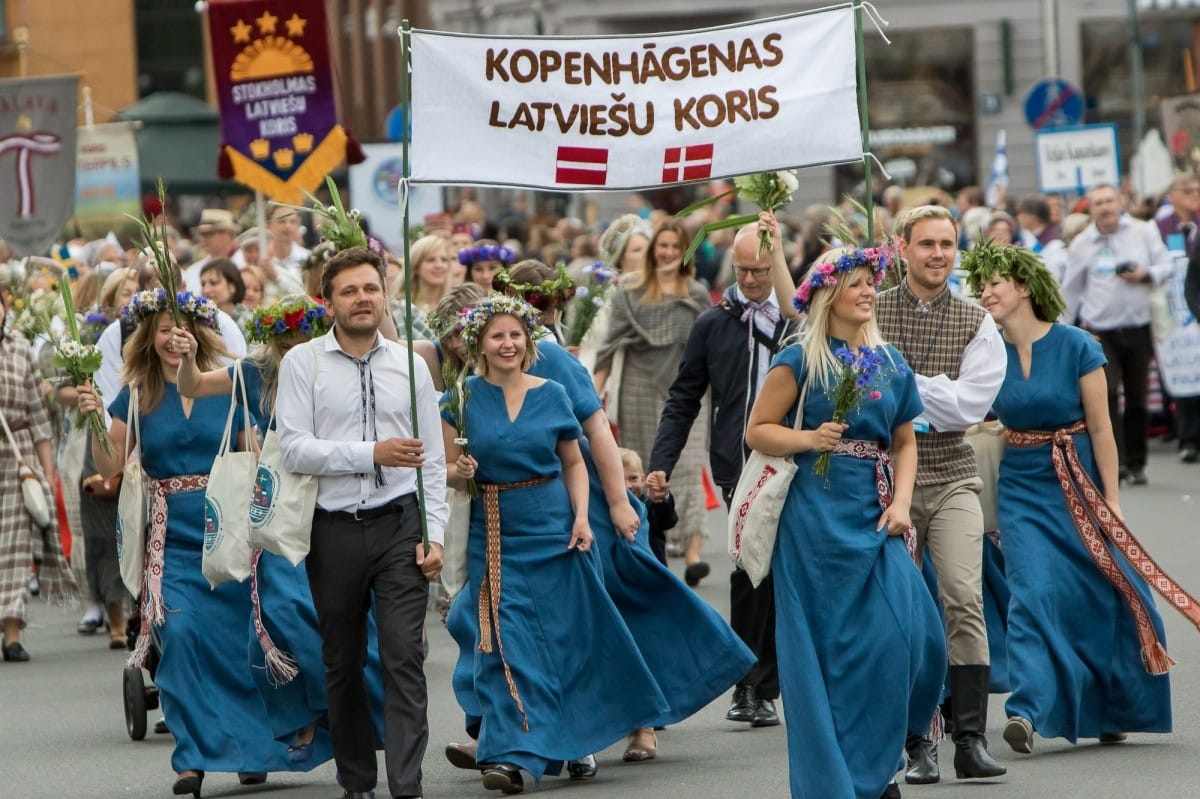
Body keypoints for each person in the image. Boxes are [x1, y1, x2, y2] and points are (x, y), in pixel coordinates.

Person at [76, 289, 308, 795]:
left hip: (227, 531)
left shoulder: (227, 385)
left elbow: (255, 449)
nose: (170, 337)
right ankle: (192, 758)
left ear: (200, 333)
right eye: (161, 328)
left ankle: (253, 750)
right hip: (168, 538)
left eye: (179, 328)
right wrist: (95, 419)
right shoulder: (135, 393)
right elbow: (109, 466)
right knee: (178, 639)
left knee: (237, 639)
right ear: (147, 337)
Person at [441, 295, 669, 794]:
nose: (507, 344)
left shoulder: (551, 393)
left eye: (516, 335)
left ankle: (573, 737)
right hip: (494, 533)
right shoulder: (459, 399)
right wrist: (458, 473)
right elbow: (446, 474)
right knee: (503, 643)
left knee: (563, 640)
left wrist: (586, 517)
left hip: (553, 527)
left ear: (528, 341)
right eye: (497, 335)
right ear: (479, 343)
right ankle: (507, 754)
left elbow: (572, 461)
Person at [745, 247, 945, 799]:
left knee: (915, 638)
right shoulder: (799, 361)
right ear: (831, 293)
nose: (867, 292)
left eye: (870, 283)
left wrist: (902, 504)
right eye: (855, 283)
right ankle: (855, 780)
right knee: (832, 656)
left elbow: (905, 440)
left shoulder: (890, 360)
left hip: (877, 514)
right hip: (813, 522)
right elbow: (758, 429)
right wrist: (809, 438)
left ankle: (894, 743)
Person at [963, 241, 1176, 753]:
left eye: (996, 283)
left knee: (1100, 590)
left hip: (1079, 480)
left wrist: (1112, 499)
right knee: (1032, 593)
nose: (986, 292)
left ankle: (1114, 705)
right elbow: (964, 409)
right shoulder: (985, 349)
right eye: (982, 284)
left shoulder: (1079, 344)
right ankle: (1028, 712)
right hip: (1020, 485)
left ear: (1024, 287)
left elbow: (1103, 430)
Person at [174, 294, 382, 768]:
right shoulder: (254, 371)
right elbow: (193, 385)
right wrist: (188, 357)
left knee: (341, 615)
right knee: (278, 613)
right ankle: (307, 713)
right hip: (278, 508)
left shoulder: (336, 366)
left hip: (334, 500)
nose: (293, 348)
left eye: (301, 338)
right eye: (284, 340)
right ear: (272, 341)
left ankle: (355, 711)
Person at [276, 246, 447, 799]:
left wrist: (436, 533)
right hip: (333, 530)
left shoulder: (410, 363)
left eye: (370, 288)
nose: (361, 299)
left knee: (404, 657)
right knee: (343, 663)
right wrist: (371, 452)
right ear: (328, 302)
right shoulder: (303, 363)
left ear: (384, 294)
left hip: (401, 523)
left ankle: (407, 786)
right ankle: (357, 782)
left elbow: (434, 461)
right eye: (348, 291)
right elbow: (296, 449)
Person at [876, 205, 1008, 784]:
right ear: (902, 248)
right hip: (883, 478)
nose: (938, 254)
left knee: (962, 596)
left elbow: (970, 407)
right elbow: (858, 386)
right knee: (902, 610)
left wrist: (903, 383)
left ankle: (971, 739)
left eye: (947, 244)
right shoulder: (871, 309)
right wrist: (932, 393)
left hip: (953, 473)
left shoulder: (977, 318)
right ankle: (916, 742)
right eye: (926, 243)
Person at [648, 216, 795, 729]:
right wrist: (660, 463)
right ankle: (751, 684)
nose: (750, 281)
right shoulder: (714, 322)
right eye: (742, 270)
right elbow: (684, 398)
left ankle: (785, 678)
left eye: (760, 270)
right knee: (752, 568)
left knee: (787, 570)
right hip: (739, 465)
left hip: (796, 458)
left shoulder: (796, 322)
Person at [594, 220, 713, 585]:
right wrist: (593, 394)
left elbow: (713, 350)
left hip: (688, 393)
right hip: (639, 388)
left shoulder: (697, 293)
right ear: (652, 250)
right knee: (642, 471)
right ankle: (645, 545)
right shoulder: (629, 293)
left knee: (689, 470)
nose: (668, 253)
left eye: (675, 247)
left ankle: (692, 553)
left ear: (685, 251)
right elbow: (609, 346)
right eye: (661, 246)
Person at [1061, 184, 1174, 485]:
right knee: (1107, 394)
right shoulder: (1083, 244)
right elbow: (1070, 291)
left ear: (1120, 202)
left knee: (1137, 398)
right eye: (1098, 203)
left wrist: (1145, 274)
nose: (1105, 207)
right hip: (1100, 332)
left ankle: (1137, 462)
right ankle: (1117, 463)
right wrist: (1060, 330)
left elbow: (1166, 266)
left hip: (1137, 327)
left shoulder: (1143, 231)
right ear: (1091, 209)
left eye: (1110, 201)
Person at [0, 292, 74, 662]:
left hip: (17, 458)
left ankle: (12, 633)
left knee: (14, 546)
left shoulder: (19, 350)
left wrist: (47, 473)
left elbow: (37, 417)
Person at [619, 447, 674, 566]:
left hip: (653, 572)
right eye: (619, 479)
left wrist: (662, 497)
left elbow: (666, 521)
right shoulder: (604, 508)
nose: (628, 486)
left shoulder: (649, 505)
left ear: (643, 480)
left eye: (633, 478)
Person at [183, 208, 240, 293]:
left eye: (210, 234)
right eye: (202, 234)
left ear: (229, 235)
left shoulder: (245, 266)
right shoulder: (193, 271)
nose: (204, 239)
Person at [199, 257, 251, 330]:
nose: (206, 290)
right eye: (203, 284)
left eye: (213, 282)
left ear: (232, 287)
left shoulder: (248, 322)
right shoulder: (200, 322)